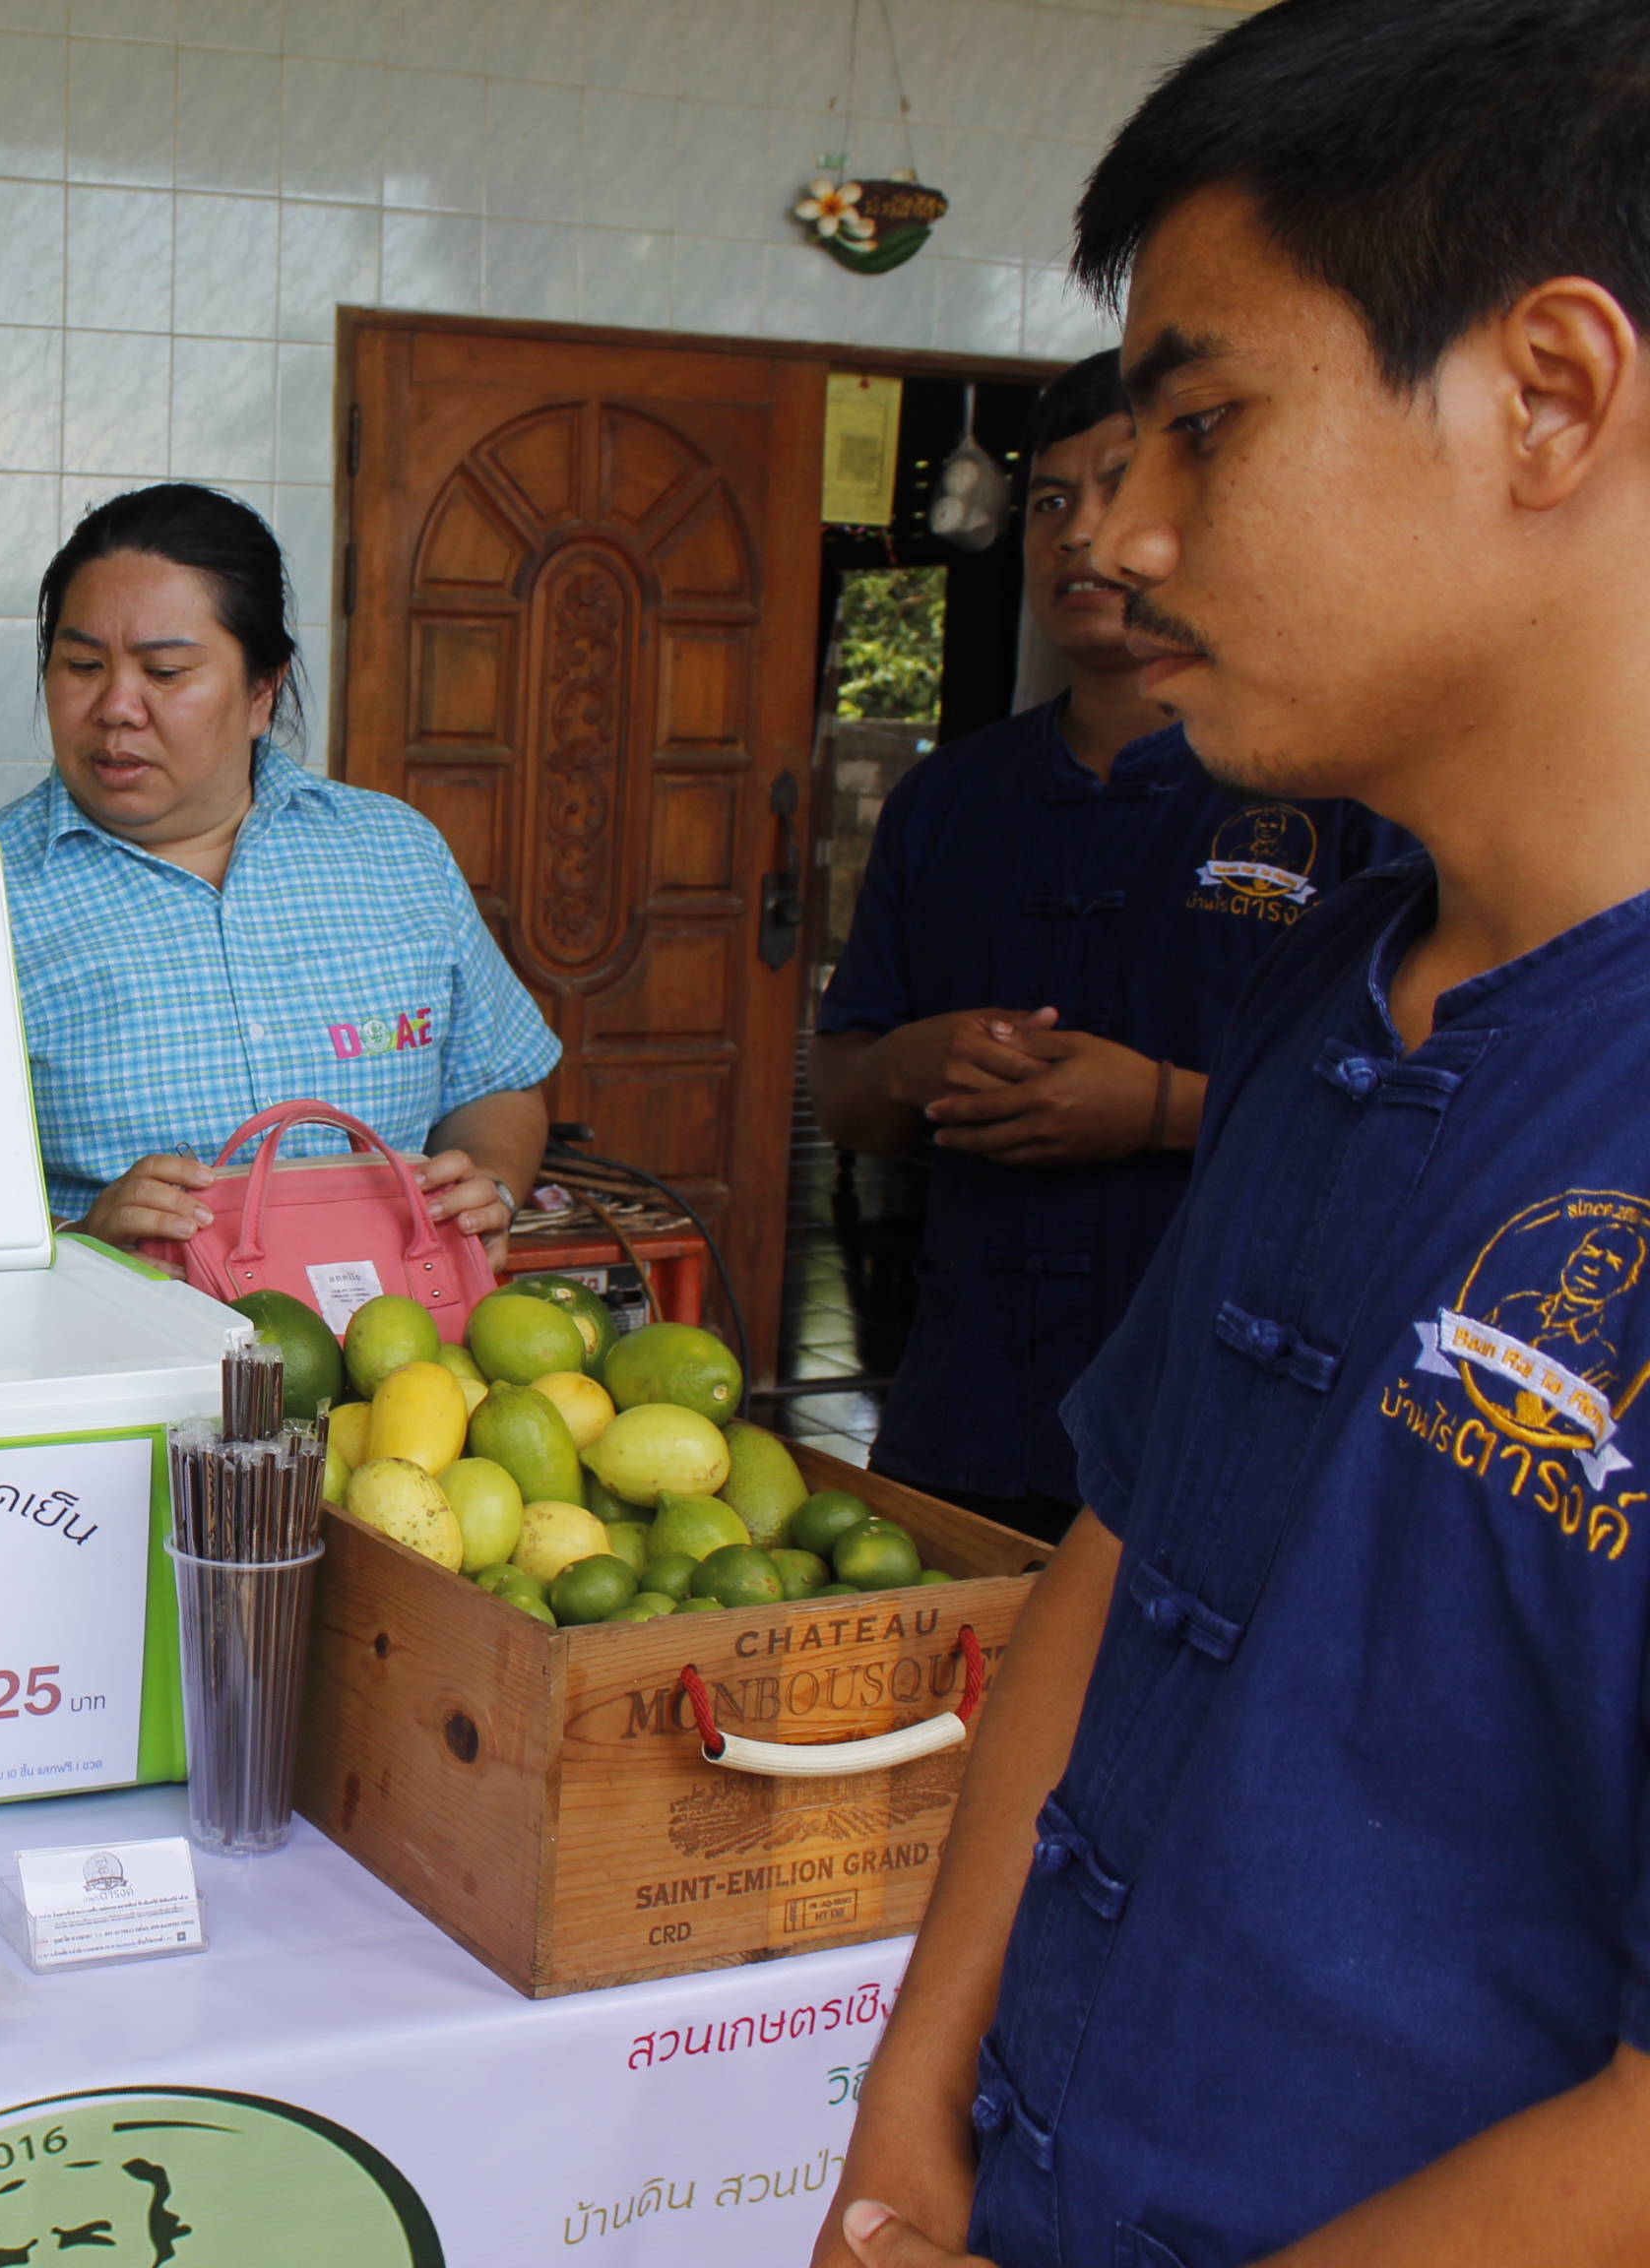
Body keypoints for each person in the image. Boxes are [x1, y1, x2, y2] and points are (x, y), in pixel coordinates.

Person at [819, 4, 1650, 2264]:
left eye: (1198, 420)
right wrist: (910, 2117)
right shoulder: (1338, 972)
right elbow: (1123, 1552)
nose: (1124, 537)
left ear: (1545, 399)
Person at [809, 348, 1407, 1544]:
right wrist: (920, 1064)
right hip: (966, 1406)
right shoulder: (950, 799)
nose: (1081, 534)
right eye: (1048, 502)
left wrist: (1161, 1110)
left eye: (1119, 486)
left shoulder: (1337, 791)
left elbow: (1407, 1116)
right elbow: (850, 1095)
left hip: (1220, 1410)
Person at [0, 483, 558, 1262]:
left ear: (261, 691)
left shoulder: (394, 853)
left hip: (400, 1361)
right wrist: (81, 1242)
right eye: (81, 664)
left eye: (166, 673)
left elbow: (496, 1079)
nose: (115, 707)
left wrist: (492, 1190)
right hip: (117, 1357)